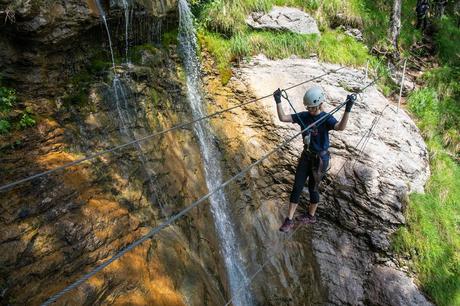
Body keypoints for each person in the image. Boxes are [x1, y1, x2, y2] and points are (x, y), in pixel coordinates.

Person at [273, 86, 355, 232]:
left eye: (312, 107)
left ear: (319, 104)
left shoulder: (326, 118)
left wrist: (348, 108)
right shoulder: (304, 116)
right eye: (308, 107)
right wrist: (278, 100)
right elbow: (283, 118)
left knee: (313, 188)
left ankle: (311, 215)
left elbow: (340, 127)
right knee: (297, 186)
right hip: (306, 156)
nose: (310, 110)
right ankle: (289, 220)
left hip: (320, 159)